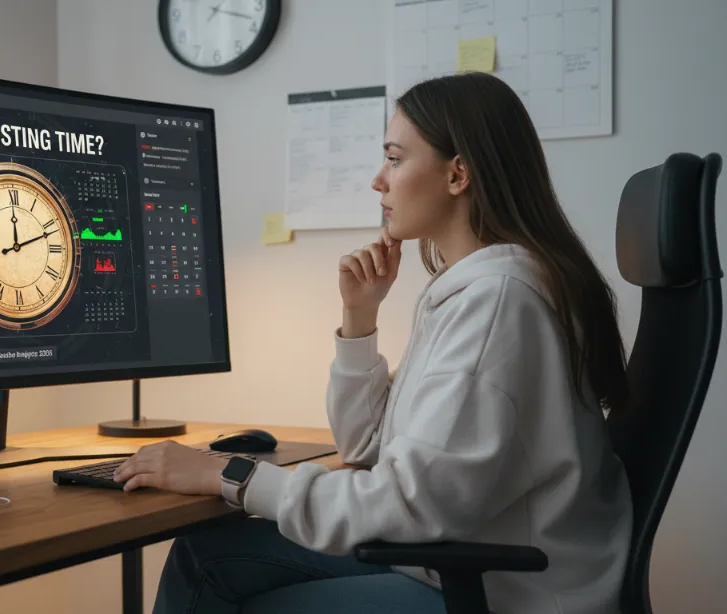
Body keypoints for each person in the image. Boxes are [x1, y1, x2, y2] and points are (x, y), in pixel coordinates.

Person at [113, 72, 633, 614]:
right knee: (204, 554)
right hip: (454, 559)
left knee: (228, 585)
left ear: (457, 174)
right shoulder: (477, 289)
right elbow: (368, 447)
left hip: (501, 593)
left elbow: (408, 502)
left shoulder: (498, 301)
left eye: (394, 159)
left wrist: (229, 475)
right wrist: (359, 319)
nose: (377, 181)